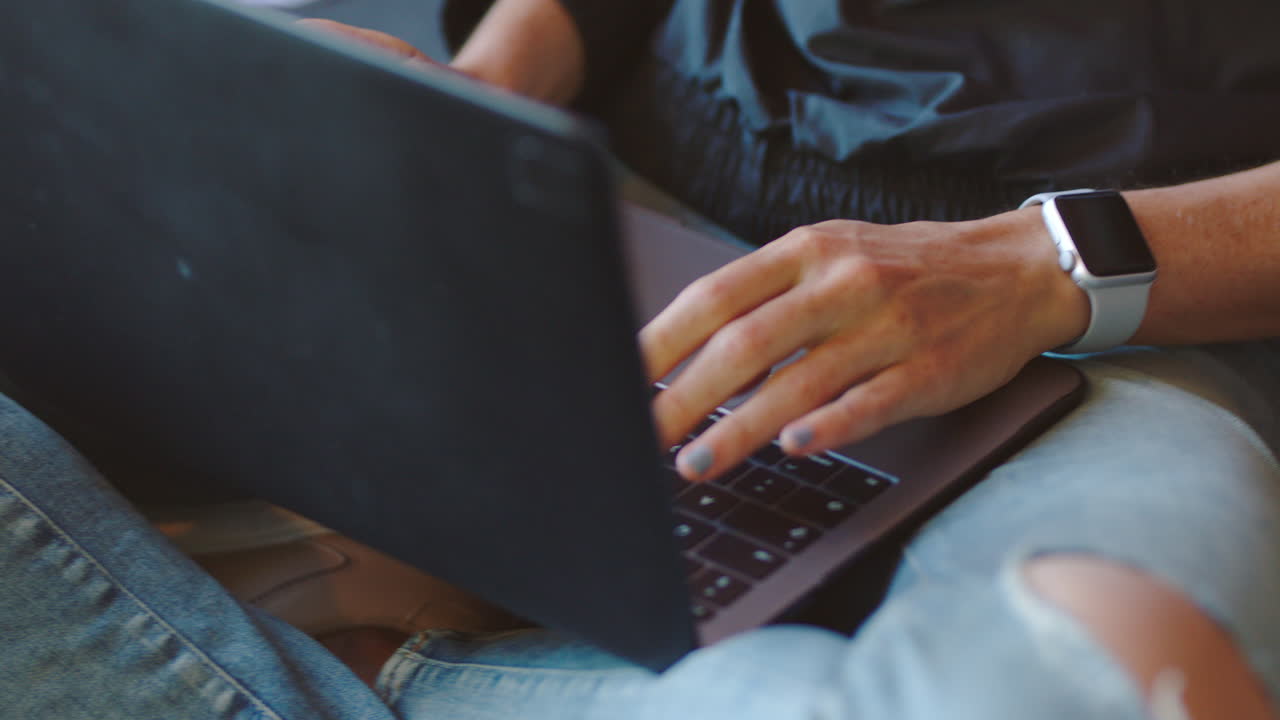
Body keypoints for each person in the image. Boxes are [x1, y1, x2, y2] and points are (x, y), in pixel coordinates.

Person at [4, 0, 1279, 718]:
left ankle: (367, 666)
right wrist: (484, 93)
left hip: (1102, 301)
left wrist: (1037, 267)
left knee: (1103, 684)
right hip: (621, 185)